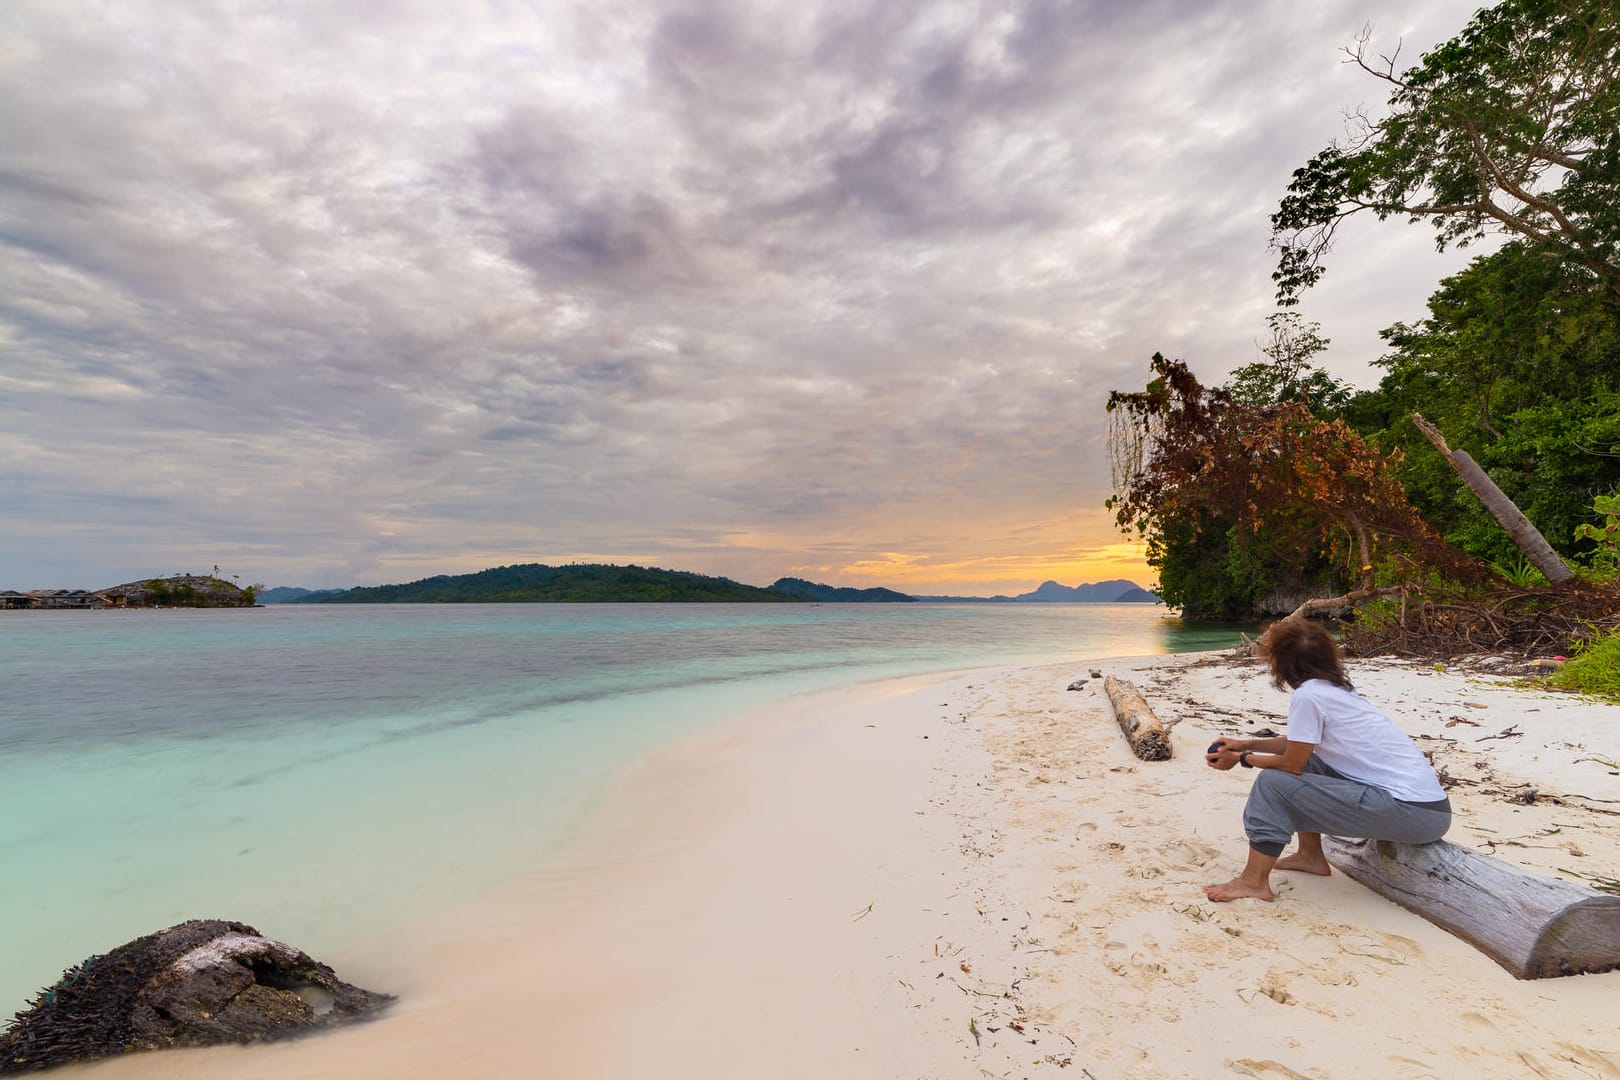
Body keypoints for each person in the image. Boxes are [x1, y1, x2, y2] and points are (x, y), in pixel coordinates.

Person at [1202, 618, 1451, 902]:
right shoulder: (1335, 690)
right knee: (1309, 763)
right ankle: (1310, 856)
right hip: (1429, 808)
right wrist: (1244, 743)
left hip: (1413, 813)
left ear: (1282, 663)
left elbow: (1291, 763)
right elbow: (1300, 745)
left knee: (1272, 783)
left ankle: (1253, 882)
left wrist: (1242, 758)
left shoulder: (1309, 696)